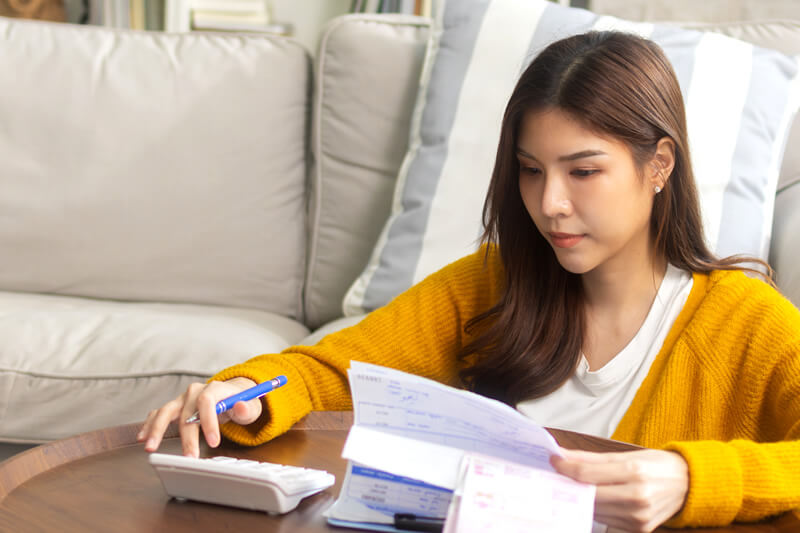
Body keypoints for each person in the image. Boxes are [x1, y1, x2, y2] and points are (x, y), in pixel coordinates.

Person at [138, 31, 800, 532]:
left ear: (659, 165)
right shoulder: (492, 284)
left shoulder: (743, 319)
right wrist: (247, 392)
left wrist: (690, 477)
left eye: (583, 171)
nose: (550, 204)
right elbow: (332, 370)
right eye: (531, 170)